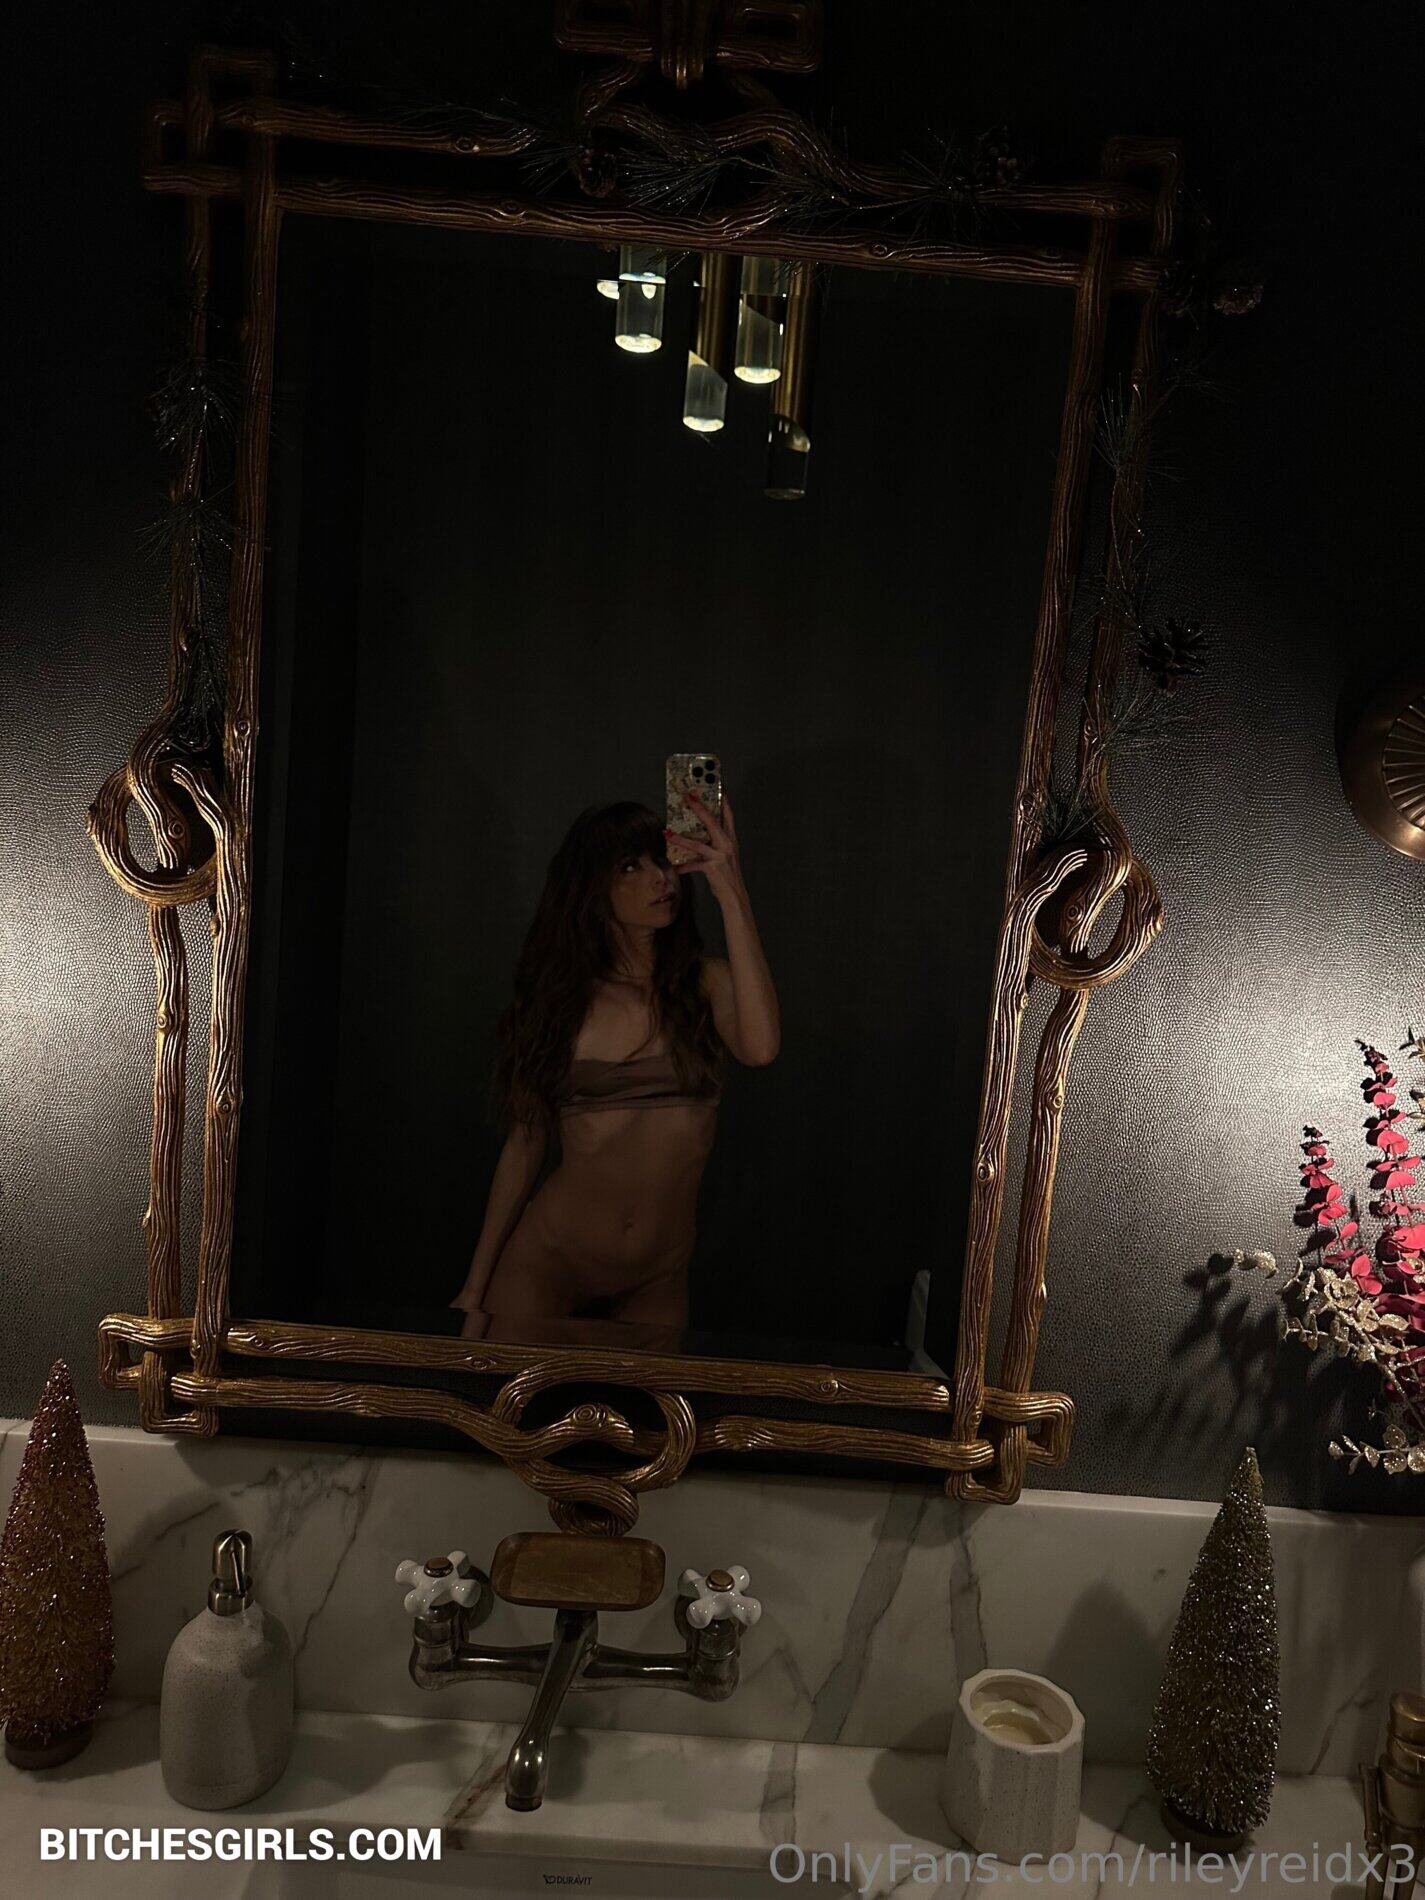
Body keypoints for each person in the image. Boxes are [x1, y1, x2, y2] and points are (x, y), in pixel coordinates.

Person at [451, 788, 778, 1341]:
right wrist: (474, 1286)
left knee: (651, 1403)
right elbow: (526, 1144)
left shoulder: (708, 985)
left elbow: (761, 1048)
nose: (661, 878)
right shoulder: (565, 1002)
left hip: (656, 1279)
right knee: (507, 1398)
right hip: (549, 1263)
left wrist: (731, 889)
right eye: (631, 866)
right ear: (593, 890)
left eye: (663, 860)